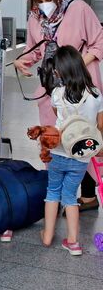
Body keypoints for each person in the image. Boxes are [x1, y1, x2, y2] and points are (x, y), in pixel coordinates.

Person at [9, 0, 103, 241]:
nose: (43, 5)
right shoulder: (35, 16)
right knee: (54, 137)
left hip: (78, 82)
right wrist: (21, 61)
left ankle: (87, 194)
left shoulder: (79, 10)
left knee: (83, 137)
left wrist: (74, 67)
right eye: (38, 1)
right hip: (50, 85)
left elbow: (99, 43)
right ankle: (59, 194)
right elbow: (36, 49)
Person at [40, 45, 103, 255]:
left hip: (59, 152)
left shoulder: (57, 93)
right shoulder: (95, 94)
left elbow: (58, 115)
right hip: (80, 155)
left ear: (62, 71)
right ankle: (74, 242)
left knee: (52, 192)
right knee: (69, 196)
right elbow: (100, 125)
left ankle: (47, 235)